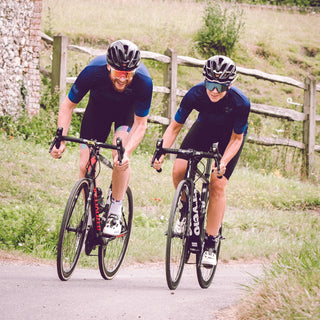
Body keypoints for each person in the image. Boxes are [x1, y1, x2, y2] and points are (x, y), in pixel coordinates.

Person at [152, 55, 250, 266]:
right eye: (211, 84)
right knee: (179, 170)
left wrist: (224, 161)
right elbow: (175, 127)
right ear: (204, 80)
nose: (214, 90)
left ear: (230, 85)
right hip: (203, 129)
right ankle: (186, 210)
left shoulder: (240, 102)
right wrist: (161, 151)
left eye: (221, 86)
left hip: (229, 138)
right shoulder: (195, 93)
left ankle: (211, 243)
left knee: (217, 183)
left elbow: (236, 139)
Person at [51, 39, 153, 236]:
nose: (123, 79)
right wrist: (61, 138)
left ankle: (115, 210)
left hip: (125, 116)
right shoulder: (93, 71)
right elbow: (68, 106)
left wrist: (127, 152)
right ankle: (90, 213)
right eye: (118, 73)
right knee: (84, 164)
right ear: (108, 66)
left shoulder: (143, 81)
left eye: (128, 74)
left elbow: (140, 124)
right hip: (97, 113)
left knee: (119, 155)